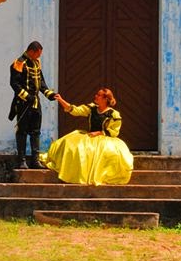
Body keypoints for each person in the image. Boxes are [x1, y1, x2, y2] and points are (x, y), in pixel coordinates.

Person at [40, 88, 133, 185]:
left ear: (105, 99)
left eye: (99, 95)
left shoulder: (113, 114)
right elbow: (75, 110)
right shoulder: (92, 108)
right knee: (69, 144)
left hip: (104, 139)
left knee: (109, 153)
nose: (95, 96)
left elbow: (114, 131)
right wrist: (61, 100)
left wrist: (99, 133)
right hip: (89, 136)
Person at [8, 41, 57, 169]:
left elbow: (41, 83)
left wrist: (49, 94)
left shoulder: (36, 63)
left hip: (35, 103)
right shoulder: (19, 63)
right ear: (32, 51)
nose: (39, 57)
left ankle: (35, 161)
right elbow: (14, 84)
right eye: (38, 54)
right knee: (22, 131)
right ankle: (22, 160)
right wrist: (26, 96)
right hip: (23, 103)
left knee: (36, 132)